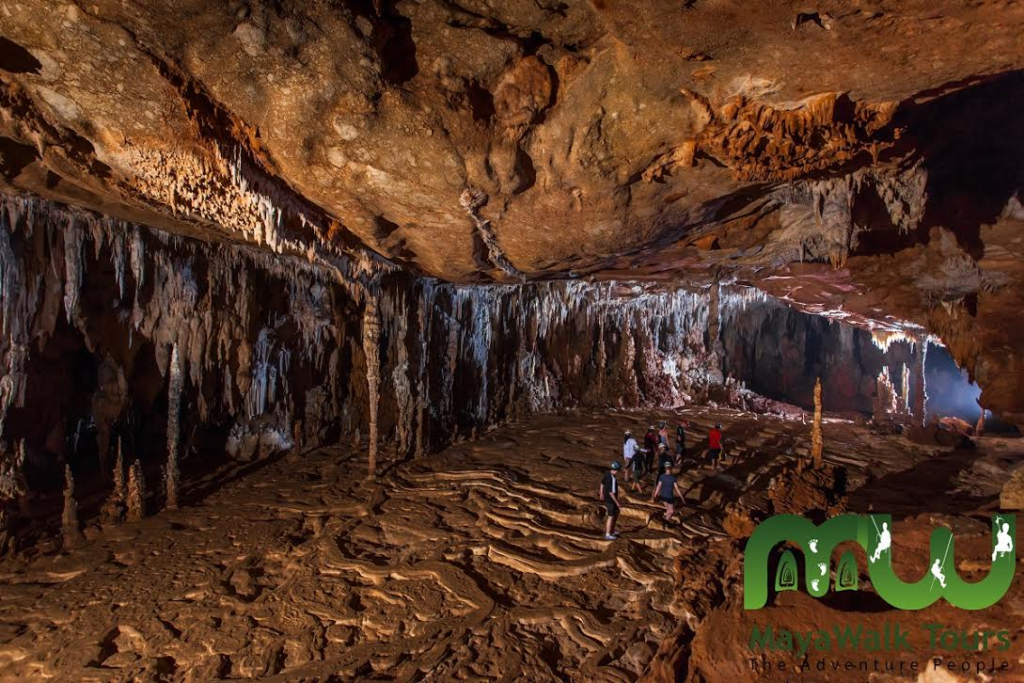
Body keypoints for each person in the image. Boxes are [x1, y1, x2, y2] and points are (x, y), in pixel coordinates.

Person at [599, 462, 623, 540]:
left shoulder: (607, 474)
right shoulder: (612, 478)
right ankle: (608, 534)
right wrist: (617, 502)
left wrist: (601, 493)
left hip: (607, 498)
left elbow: (602, 484)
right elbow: (611, 493)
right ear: (617, 470)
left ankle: (611, 530)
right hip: (611, 500)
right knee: (611, 516)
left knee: (615, 513)